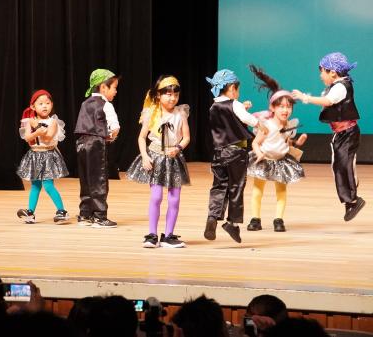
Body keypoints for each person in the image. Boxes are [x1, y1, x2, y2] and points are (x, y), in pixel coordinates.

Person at [292, 52, 366, 221]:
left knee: (344, 164)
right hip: (341, 133)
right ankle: (350, 200)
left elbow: (328, 101)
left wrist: (305, 97)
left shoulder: (341, 87)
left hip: (348, 133)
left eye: (322, 72)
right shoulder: (335, 86)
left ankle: (353, 199)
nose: (320, 76)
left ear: (332, 72)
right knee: (338, 166)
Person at [127, 75, 190, 248]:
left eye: (176, 94)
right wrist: (145, 156)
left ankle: (168, 235)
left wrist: (178, 148)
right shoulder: (151, 113)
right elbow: (141, 138)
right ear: (158, 95)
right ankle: (152, 234)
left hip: (174, 158)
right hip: (156, 158)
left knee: (174, 199)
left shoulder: (181, 113)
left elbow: (186, 137)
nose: (172, 98)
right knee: (156, 196)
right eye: (168, 94)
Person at [204, 70, 266, 243]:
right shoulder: (235, 104)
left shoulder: (213, 106)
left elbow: (229, 117)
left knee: (219, 185)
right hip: (236, 152)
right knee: (236, 187)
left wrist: (241, 106)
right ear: (232, 88)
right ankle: (232, 223)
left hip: (219, 153)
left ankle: (213, 216)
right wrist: (261, 125)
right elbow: (246, 119)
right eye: (237, 90)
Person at [246, 65, 307, 233]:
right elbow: (255, 143)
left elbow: (287, 143)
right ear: (272, 108)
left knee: (281, 191)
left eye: (288, 107)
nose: (285, 110)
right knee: (258, 190)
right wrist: (259, 154)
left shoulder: (290, 126)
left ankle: (278, 220)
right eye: (281, 106)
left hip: (280, 161)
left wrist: (297, 142)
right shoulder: (266, 125)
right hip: (264, 160)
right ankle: (255, 219)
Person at [74, 69, 120, 228]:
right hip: (96, 144)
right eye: (114, 88)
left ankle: (85, 214)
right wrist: (110, 137)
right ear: (103, 88)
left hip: (81, 143)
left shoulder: (84, 103)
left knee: (86, 179)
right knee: (99, 179)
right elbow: (115, 127)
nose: (116, 91)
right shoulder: (106, 105)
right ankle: (100, 216)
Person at [16, 89, 70, 224]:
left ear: (52, 105)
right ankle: (30, 212)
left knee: (48, 185)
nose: (44, 106)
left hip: (48, 155)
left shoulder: (53, 122)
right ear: (33, 106)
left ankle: (62, 211)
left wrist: (38, 128)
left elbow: (48, 138)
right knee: (35, 185)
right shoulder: (30, 121)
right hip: (35, 155)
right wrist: (36, 131)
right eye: (40, 103)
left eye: (47, 103)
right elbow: (27, 137)